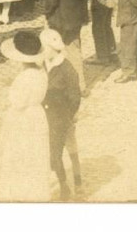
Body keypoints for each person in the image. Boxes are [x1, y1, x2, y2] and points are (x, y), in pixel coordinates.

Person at [0, 30, 51, 202]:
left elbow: (18, 102)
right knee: (36, 156)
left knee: (20, 156)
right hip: (38, 117)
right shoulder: (41, 73)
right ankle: (35, 193)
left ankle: (19, 194)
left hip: (24, 119)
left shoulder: (24, 78)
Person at [40, 28, 82, 201]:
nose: (42, 52)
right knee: (53, 151)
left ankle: (71, 183)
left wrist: (68, 116)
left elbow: (75, 97)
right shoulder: (42, 65)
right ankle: (64, 183)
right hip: (45, 117)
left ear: (52, 49)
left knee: (68, 148)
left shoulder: (67, 68)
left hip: (62, 117)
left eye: (44, 48)